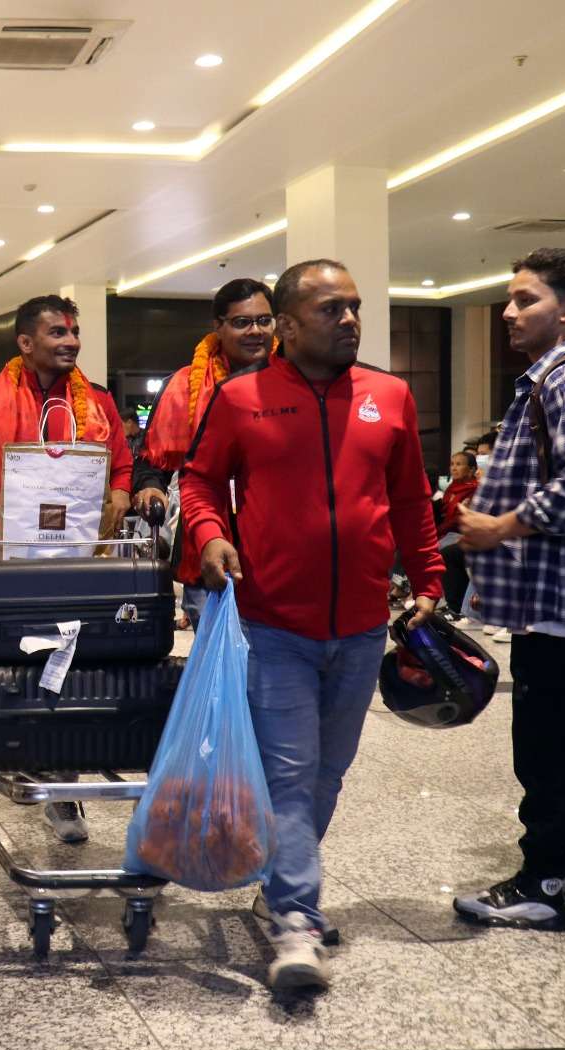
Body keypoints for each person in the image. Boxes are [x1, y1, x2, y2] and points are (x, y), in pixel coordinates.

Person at [184, 259, 442, 991]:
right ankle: (296, 920)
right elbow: (200, 481)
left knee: (329, 770)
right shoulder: (242, 398)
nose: (350, 319)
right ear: (288, 326)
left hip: (360, 624)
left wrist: (430, 578)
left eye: (354, 306)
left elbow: (411, 498)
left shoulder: (389, 396)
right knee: (292, 774)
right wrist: (209, 534)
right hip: (274, 624)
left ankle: (279, 883)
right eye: (332, 309)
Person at [453, 247, 565, 929]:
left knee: (548, 745)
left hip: (558, 602)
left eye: (526, 299)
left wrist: (500, 526)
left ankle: (541, 883)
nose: (509, 311)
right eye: (510, 298)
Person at [0, 294, 134, 843]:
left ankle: (64, 786)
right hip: (17, 558)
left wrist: (121, 493)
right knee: (24, 662)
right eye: (58, 333)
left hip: (83, 560)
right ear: (26, 342)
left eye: (73, 332)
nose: (71, 341)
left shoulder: (97, 400)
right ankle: (22, 755)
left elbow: (123, 465)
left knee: (75, 665)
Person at [133, 278, 278, 629]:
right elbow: (150, 463)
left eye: (264, 320)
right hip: (206, 545)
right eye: (242, 322)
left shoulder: (294, 381)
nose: (255, 331)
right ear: (219, 326)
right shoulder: (182, 387)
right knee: (216, 652)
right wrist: (150, 487)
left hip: (279, 548)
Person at [436, 451, 479, 623]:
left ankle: (453, 606)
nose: (454, 468)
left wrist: (438, 532)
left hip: (461, 532)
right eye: (452, 464)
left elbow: (460, 519)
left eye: (459, 464)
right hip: (448, 532)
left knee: (443, 550)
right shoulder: (450, 489)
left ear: (471, 470)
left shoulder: (475, 489)